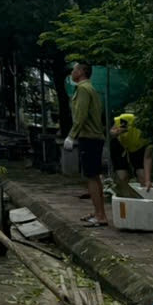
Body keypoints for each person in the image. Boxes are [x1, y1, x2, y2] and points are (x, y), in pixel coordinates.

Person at [64, 62, 107, 227]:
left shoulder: (83, 89)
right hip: (94, 136)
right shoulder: (90, 88)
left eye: (74, 69)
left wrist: (71, 136)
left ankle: (101, 216)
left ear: (81, 71)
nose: (72, 73)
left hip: (89, 137)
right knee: (95, 176)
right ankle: (98, 212)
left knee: (91, 177)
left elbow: (80, 115)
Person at [109, 110, 153, 190]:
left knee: (143, 177)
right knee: (123, 177)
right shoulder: (127, 119)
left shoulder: (151, 138)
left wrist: (148, 180)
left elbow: (147, 158)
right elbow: (112, 132)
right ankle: (124, 195)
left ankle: (143, 197)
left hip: (137, 148)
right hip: (120, 144)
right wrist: (116, 132)